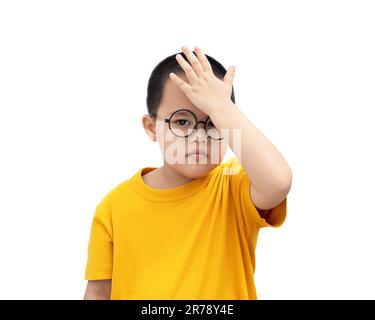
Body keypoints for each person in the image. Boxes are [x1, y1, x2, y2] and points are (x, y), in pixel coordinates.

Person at [83, 46, 292, 300]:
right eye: (182, 122)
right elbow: (98, 293)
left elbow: (278, 182)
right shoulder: (113, 207)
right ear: (151, 128)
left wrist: (222, 108)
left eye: (213, 122)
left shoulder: (233, 187)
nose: (200, 137)